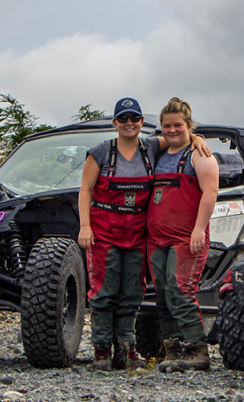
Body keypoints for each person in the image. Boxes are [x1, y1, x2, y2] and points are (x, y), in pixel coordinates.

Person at [77, 97, 211, 371]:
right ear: (115, 123)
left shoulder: (151, 146)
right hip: (104, 232)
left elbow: (181, 137)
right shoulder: (100, 153)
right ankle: (101, 349)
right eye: (123, 119)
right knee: (103, 291)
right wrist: (85, 226)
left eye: (134, 118)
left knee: (132, 292)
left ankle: (127, 349)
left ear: (141, 122)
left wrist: (197, 138)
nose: (129, 123)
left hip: (138, 234)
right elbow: (85, 190)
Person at [147, 97, 220, 373]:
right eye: (167, 125)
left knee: (180, 290)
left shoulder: (199, 155)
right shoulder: (160, 154)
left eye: (178, 125)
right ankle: (173, 348)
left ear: (189, 126)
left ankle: (196, 350)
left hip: (186, 237)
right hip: (156, 238)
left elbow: (210, 193)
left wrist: (199, 228)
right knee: (163, 294)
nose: (172, 130)